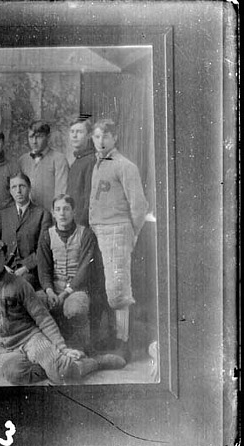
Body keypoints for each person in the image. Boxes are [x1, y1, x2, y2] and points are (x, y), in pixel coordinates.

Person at [0, 239, 126, 385]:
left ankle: (94, 363)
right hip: (2, 350)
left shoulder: (19, 283)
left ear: (4, 258)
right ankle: (56, 365)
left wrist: (61, 348)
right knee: (15, 374)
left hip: (30, 338)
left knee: (63, 373)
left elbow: (43, 318)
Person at [89, 119, 148, 361]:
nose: (100, 141)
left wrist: (131, 233)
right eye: (96, 136)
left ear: (115, 138)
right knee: (106, 288)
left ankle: (124, 343)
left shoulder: (125, 165)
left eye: (105, 136)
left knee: (118, 289)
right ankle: (112, 337)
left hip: (117, 229)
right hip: (100, 230)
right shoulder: (99, 163)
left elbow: (139, 206)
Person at [37, 194, 113, 353]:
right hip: (53, 289)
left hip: (77, 289)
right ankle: (47, 349)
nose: (62, 213)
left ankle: (82, 347)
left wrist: (65, 293)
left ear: (73, 212)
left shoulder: (86, 234)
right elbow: (44, 269)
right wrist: (49, 291)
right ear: (53, 213)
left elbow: (84, 268)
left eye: (66, 209)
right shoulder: (47, 235)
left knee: (75, 309)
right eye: (58, 209)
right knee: (34, 303)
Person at [0, 172, 51, 291]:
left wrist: (25, 268)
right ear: (10, 191)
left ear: (29, 188)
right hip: (4, 268)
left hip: (29, 271)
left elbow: (42, 249)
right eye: (14, 187)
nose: (18, 191)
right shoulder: (2, 213)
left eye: (22, 186)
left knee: (19, 286)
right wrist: (3, 266)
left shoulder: (42, 214)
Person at [18, 121, 69, 209]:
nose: (34, 141)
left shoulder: (59, 160)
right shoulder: (23, 160)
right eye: (31, 137)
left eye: (39, 137)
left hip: (50, 215)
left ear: (48, 137)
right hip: (28, 216)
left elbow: (61, 193)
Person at [65, 116, 95, 226]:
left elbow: (89, 199)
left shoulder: (91, 161)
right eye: (72, 131)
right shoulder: (77, 161)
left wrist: (81, 226)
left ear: (88, 135)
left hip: (82, 224)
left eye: (79, 132)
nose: (74, 135)